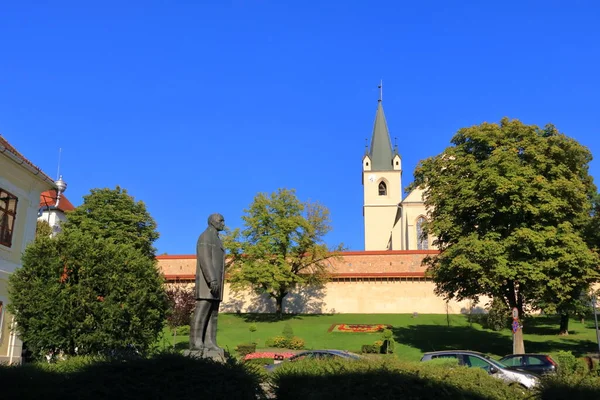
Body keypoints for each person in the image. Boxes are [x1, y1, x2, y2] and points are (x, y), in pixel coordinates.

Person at [189, 213, 226, 354]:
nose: (223, 223)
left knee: (213, 313)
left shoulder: (217, 239)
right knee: (202, 310)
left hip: (216, 283)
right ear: (212, 222)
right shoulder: (205, 237)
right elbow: (205, 259)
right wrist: (212, 279)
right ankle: (196, 343)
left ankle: (210, 343)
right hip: (208, 283)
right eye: (220, 221)